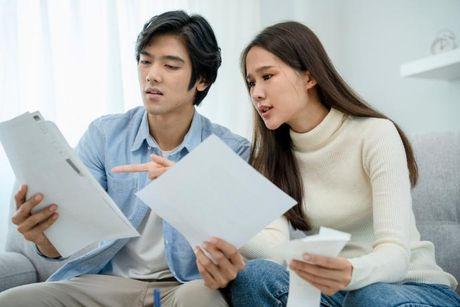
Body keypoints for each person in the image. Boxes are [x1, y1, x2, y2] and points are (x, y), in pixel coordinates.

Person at [0, 11, 288, 307]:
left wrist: (190, 195)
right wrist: (43, 238)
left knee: (201, 300)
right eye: (145, 60)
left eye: (170, 65)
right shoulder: (105, 135)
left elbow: (252, 248)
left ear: (201, 79)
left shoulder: (231, 150)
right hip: (105, 283)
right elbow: (71, 239)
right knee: (12, 300)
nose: (152, 74)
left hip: (183, 285)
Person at [227, 21, 460, 307]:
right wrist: (210, 212)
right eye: (251, 82)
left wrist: (349, 273)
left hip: (408, 287)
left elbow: (396, 256)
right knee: (253, 275)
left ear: (309, 77)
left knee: (373, 295)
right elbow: (276, 251)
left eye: (267, 76)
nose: (256, 93)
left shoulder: (375, 134)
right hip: (340, 294)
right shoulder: (273, 158)